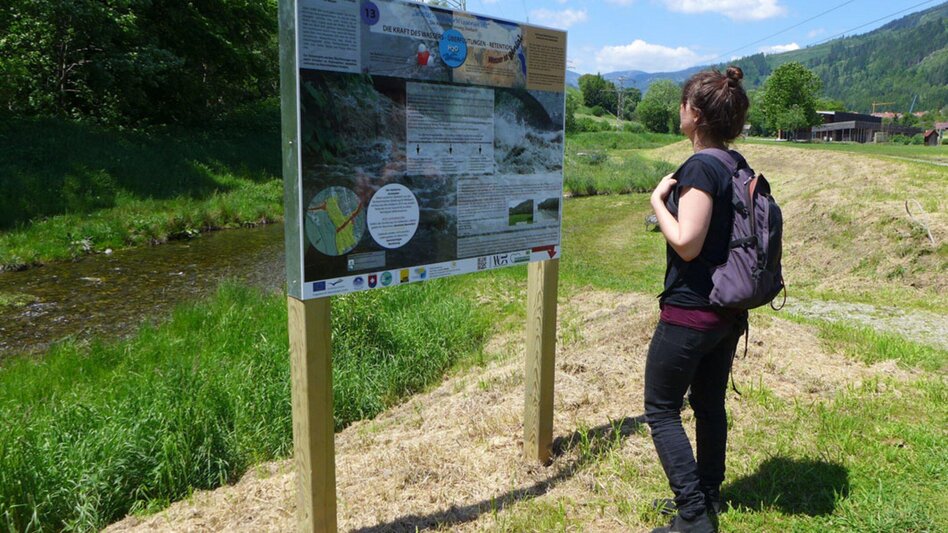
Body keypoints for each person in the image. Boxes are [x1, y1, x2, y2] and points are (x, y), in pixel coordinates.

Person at [645, 66, 751, 533]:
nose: (679, 111)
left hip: (692, 310)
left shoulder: (701, 167)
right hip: (727, 310)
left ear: (695, 113)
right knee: (708, 404)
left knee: (661, 408)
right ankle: (708, 494)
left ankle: (693, 516)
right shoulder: (734, 163)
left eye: (683, 103)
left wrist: (655, 204)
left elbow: (687, 242)